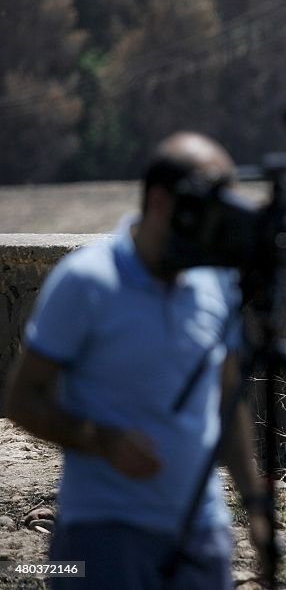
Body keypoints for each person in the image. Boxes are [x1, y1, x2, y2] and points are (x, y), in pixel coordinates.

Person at [3, 132, 272, 589]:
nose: (218, 228)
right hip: (102, 535)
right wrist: (98, 439)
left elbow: (228, 401)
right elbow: (23, 398)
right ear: (163, 202)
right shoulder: (86, 281)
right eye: (208, 210)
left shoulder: (217, 280)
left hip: (202, 531)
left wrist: (255, 509)